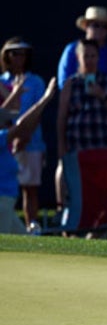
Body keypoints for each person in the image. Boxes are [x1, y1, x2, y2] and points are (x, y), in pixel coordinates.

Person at [56, 39, 107, 226]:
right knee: (80, 192)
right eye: (85, 56)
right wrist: (62, 147)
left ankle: (104, 227)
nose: (89, 60)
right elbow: (62, 118)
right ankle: (72, 223)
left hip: (105, 148)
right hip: (79, 149)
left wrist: (102, 95)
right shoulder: (71, 84)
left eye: (93, 56)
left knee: (104, 193)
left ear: (98, 58)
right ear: (78, 58)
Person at [0, 38, 47, 233]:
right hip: (4, 144)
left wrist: (24, 136)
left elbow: (37, 112)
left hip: (31, 143)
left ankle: (31, 228)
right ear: (7, 56)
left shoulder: (35, 82)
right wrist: (12, 136)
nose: (19, 57)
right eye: (15, 53)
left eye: (23, 53)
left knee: (30, 188)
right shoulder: (1, 82)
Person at [0, 79, 56, 235]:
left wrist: (15, 94)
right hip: (2, 204)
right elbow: (21, 126)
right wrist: (45, 100)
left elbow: (7, 114)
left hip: (6, 205)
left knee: (25, 240)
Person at [57, 6, 107, 89]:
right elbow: (63, 82)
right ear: (86, 27)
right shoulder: (72, 49)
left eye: (105, 26)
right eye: (96, 25)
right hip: (75, 95)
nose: (100, 29)